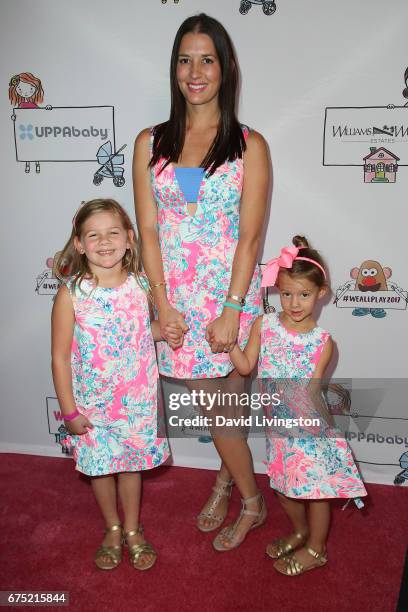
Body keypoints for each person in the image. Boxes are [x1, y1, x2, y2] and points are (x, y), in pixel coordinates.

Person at [133, 13, 270, 550]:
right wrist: (161, 304)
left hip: (228, 297)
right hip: (178, 306)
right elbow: (147, 228)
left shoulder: (248, 144)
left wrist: (234, 309)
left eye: (206, 59)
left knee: (223, 406)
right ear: (174, 68)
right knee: (219, 409)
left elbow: (252, 237)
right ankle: (242, 492)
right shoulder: (151, 142)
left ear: (225, 67)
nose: (195, 72)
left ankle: (243, 497)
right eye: (185, 59)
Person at [51, 198, 179, 571]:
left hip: (137, 400)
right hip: (93, 406)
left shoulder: (142, 286)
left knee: (130, 467)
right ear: (79, 243)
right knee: (100, 468)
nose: (104, 242)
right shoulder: (70, 294)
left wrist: (164, 331)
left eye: (113, 232)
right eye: (93, 235)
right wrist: (70, 411)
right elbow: (60, 357)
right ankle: (112, 527)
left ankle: (134, 529)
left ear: (129, 239)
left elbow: (143, 331)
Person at [229, 235, 367, 575]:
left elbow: (312, 391)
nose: (293, 302)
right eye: (287, 293)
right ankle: (300, 531)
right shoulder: (265, 326)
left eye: (304, 294)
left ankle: (317, 549)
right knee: (283, 486)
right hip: (278, 429)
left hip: (310, 429)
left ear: (321, 293)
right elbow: (246, 366)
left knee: (315, 492)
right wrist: (229, 343)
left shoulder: (323, 343)